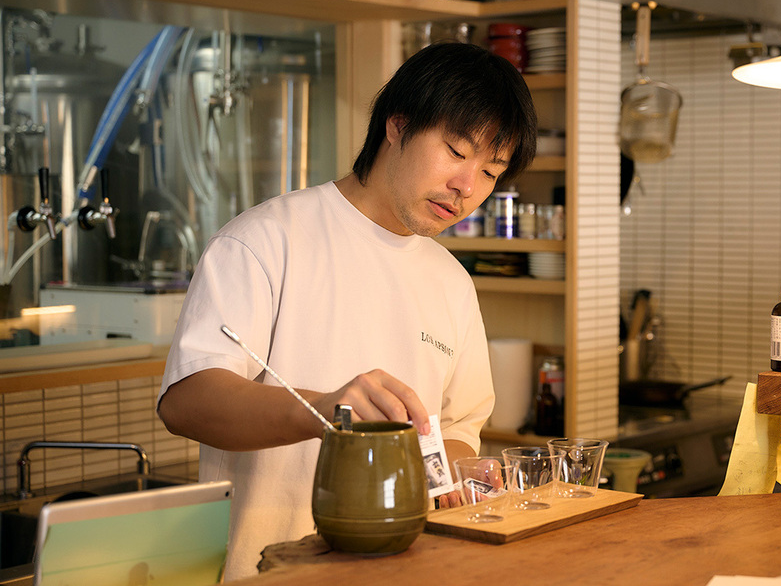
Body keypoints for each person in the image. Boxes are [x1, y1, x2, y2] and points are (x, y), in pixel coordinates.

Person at [157, 41, 537, 580]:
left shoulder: (452, 281)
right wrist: (325, 412)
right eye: (455, 151)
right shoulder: (266, 241)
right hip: (270, 572)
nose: (466, 187)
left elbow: (455, 429)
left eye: (491, 171)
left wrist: (464, 478)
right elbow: (186, 401)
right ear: (398, 126)